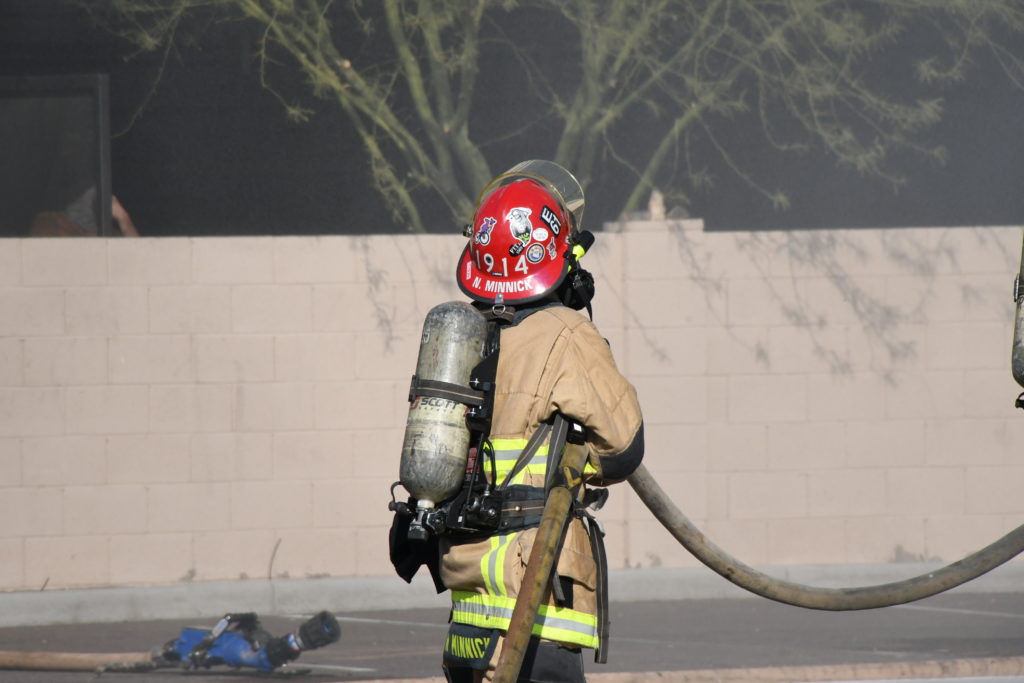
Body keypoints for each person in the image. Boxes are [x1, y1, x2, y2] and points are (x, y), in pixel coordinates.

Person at [402, 161, 645, 682]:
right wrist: (575, 463)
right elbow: (624, 448)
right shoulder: (565, 334)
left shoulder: (464, 336)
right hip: (533, 607)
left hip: (469, 614)